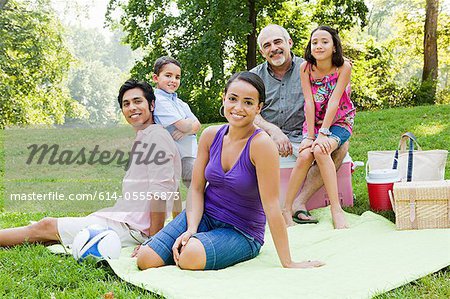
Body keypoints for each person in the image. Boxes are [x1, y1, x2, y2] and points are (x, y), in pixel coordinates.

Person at [135, 72, 324, 270]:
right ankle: (194, 241)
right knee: (146, 258)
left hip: (241, 231)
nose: (238, 108)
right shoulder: (210, 135)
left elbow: (271, 206)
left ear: (259, 108)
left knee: (189, 256)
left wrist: (288, 262)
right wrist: (191, 228)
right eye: (233, 99)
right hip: (204, 216)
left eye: (248, 102)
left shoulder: (262, 145)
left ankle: (198, 247)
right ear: (224, 98)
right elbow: (197, 189)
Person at [0, 79, 181, 248]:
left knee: (45, 226)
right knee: (46, 232)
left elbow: (161, 191)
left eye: (137, 101)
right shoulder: (146, 137)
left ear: (151, 105)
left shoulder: (156, 137)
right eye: (126, 104)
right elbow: (175, 190)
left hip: (133, 229)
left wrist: (153, 243)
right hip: (123, 219)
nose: (132, 107)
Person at [250, 24, 349, 224]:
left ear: (289, 43)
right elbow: (248, 113)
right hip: (269, 139)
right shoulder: (254, 77)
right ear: (262, 52)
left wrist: (315, 135)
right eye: (267, 45)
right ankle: (255, 208)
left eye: (278, 42)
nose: (273, 48)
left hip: (304, 134)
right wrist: (273, 131)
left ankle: (299, 202)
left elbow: (334, 97)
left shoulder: (311, 67)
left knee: (341, 147)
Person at [283, 26, 355, 229]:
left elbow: (334, 101)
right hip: (313, 122)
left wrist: (323, 134)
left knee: (321, 151)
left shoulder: (343, 67)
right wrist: (310, 136)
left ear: (334, 47)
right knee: (306, 154)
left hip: (340, 121)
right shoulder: (306, 68)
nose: (319, 45)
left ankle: (336, 209)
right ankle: (286, 209)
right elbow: (309, 102)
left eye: (324, 41)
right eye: (314, 42)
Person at [152, 56, 201, 215]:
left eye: (177, 77)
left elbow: (197, 125)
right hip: (174, 155)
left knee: (198, 188)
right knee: (177, 191)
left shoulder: (180, 103)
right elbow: (186, 124)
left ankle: (199, 220)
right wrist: (187, 126)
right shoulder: (159, 99)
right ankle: (179, 224)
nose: (173, 80)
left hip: (189, 154)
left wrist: (187, 128)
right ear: (156, 78)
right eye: (168, 75)